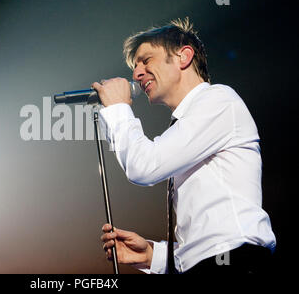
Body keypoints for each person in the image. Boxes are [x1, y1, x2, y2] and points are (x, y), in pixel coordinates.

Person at [93, 18, 276, 274]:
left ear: (183, 56)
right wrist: (152, 255)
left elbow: (143, 167)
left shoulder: (219, 100)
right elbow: (207, 235)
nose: (136, 74)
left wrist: (119, 109)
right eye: (135, 67)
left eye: (146, 60)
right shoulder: (187, 127)